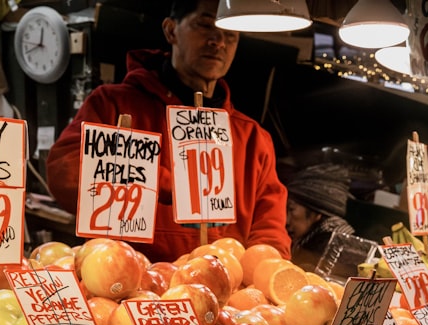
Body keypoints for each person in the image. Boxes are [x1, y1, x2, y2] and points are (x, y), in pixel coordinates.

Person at [44, 0, 290, 264]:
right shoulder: (112, 104)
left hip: (220, 296)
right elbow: (64, 172)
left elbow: (270, 235)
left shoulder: (254, 138)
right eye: (204, 25)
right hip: (122, 287)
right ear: (171, 31)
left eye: (229, 33)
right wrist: (173, 185)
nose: (218, 41)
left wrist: (264, 274)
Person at [284, 163, 357, 271]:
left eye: (291, 209)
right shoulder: (313, 237)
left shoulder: (330, 245)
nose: (286, 221)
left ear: (316, 212)